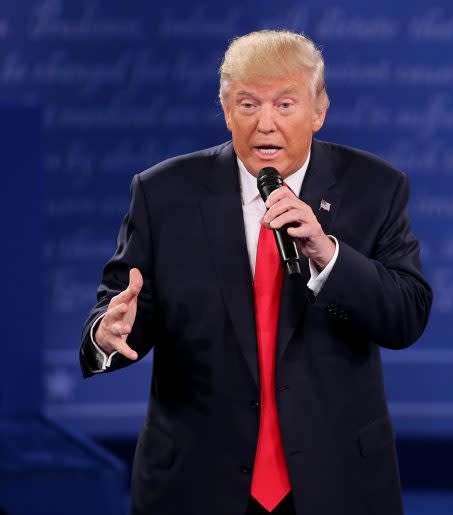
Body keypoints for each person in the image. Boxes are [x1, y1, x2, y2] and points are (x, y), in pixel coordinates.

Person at [79, 30, 432, 515]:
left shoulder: (376, 188)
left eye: (285, 105)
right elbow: (124, 309)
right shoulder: (163, 193)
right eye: (248, 105)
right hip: (195, 484)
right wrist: (106, 334)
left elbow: (406, 317)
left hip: (336, 482)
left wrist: (328, 256)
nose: (265, 123)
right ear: (227, 112)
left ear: (318, 112)